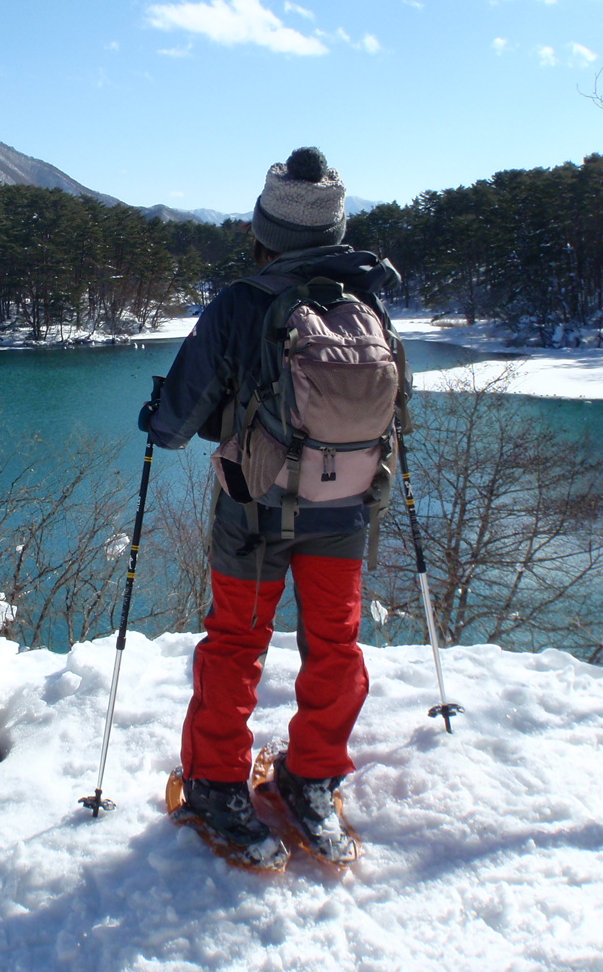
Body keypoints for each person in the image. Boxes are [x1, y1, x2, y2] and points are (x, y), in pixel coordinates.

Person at [139, 146, 401, 864]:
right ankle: (312, 776)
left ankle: (218, 785)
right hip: (345, 506)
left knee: (236, 645)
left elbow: (176, 422)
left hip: (254, 515)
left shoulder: (242, 303)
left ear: (265, 229)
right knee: (336, 646)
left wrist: (156, 416)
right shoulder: (368, 299)